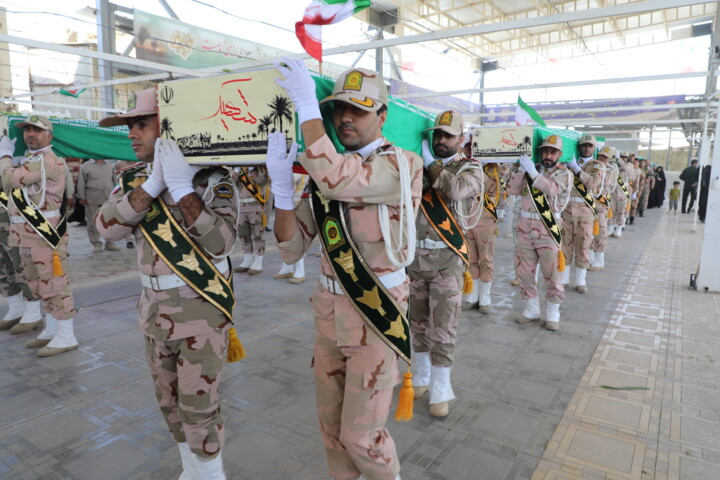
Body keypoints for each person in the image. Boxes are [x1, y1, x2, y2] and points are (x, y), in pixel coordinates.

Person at [270, 59, 422, 480]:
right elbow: (290, 249)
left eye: (360, 109)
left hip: (375, 316)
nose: (346, 118)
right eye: (339, 109)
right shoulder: (323, 173)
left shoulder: (402, 165)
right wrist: (283, 192)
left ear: (383, 116)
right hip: (328, 317)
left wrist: (307, 108)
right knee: (332, 433)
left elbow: (340, 180)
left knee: (362, 437)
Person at [95, 88, 238, 479]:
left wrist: (182, 189)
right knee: (169, 404)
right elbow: (106, 229)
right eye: (130, 126)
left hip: (200, 315)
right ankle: (192, 470)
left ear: (170, 124)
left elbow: (222, 243)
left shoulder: (213, 180)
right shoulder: (133, 180)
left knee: (199, 406)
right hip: (153, 314)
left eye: (142, 124)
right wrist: (154, 184)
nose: (131, 133)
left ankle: (211, 474)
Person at [408, 111, 483, 418]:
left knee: (443, 326)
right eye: (436, 135)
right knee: (417, 322)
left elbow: (454, 190)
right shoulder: (419, 166)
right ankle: (422, 378)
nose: (440, 140)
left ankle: (441, 389)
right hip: (414, 258)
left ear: (461, 139)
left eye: (447, 136)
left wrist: (429, 163)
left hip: (448, 260)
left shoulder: (471, 169)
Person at [0, 115, 77, 356]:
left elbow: (8, 178)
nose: (30, 134)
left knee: (55, 284)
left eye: (37, 130)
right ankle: (52, 328)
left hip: (44, 235)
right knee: (36, 284)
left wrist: (4, 155)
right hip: (25, 235)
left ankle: (67, 335)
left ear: (49, 136)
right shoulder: (32, 160)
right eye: (27, 130)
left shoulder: (48, 160)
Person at [510, 134, 571, 331]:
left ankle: (553, 312)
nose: (548, 155)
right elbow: (512, 189)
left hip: (548, 229)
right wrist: (521, 169)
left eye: (552, 152)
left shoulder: (564, 174)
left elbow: (552, 190)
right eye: (545, 151)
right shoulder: (530, 169)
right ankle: (531, 308)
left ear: (559, 154)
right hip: (525, 228)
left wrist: (534, 173)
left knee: (551, 273)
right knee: (524, 271)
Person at [462, 133, 500, 314]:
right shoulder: (461, 163)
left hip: (484, 219)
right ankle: (473, 295)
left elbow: (485, 186)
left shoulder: (492, 169)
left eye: (474, 146)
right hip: (465, 219)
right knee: (470, 259)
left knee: (486, 259)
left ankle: (485, 297)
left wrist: (478, 165)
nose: (470, 149)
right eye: (468, 146)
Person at [560, 134, 602, 294]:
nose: (586, 148)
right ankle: (563, 278)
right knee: (565, 245)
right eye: (584, 145)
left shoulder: (597, 166)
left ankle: (580, 280)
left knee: (583, 245)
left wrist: (575, 168)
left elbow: (593, 183)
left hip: (585, 211)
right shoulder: (567, 163)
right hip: (567, 209)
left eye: (590, 146)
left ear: (594, 148)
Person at [77, 158, 119, 253]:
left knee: (110, 221)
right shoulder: (86, 166)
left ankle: (110, 242)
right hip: (92, 197)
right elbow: (81, 182)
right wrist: (81, 197)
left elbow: (115, 181)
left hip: (108, 197)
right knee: (93, 222)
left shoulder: (109, 165)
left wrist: (117, 194)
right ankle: (96, 243)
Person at [231, 166, 268, 274]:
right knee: (243, 235)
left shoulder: (260, 169)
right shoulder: (240, 170)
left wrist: (253, 169)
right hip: (241, 207)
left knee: (257, 235)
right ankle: (247, 260)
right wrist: (237, 169)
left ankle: (258, 261)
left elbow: (261, 182)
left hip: (255, 207)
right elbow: (233, 180)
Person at [589, 146, 617, 271]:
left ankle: (599, 260)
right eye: (601, 156)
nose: (603, 159)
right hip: (589, 202)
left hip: (601, 204)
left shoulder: (611, 169)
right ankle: (590, 257)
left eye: (606, 157)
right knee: (588, 232)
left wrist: (600, 168)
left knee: (600, 231)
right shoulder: (592, 165)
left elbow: (606, 183)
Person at [609, 152, 633, 238]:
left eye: (625, 157)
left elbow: (626, 168)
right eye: (622, 157)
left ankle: (619, 229)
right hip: (613, 192)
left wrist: (618, 159)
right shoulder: (614, 165)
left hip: (623, 192)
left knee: (621, 211)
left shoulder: (629, 165)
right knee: (611, 211)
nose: (623, 159)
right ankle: (611, 228)